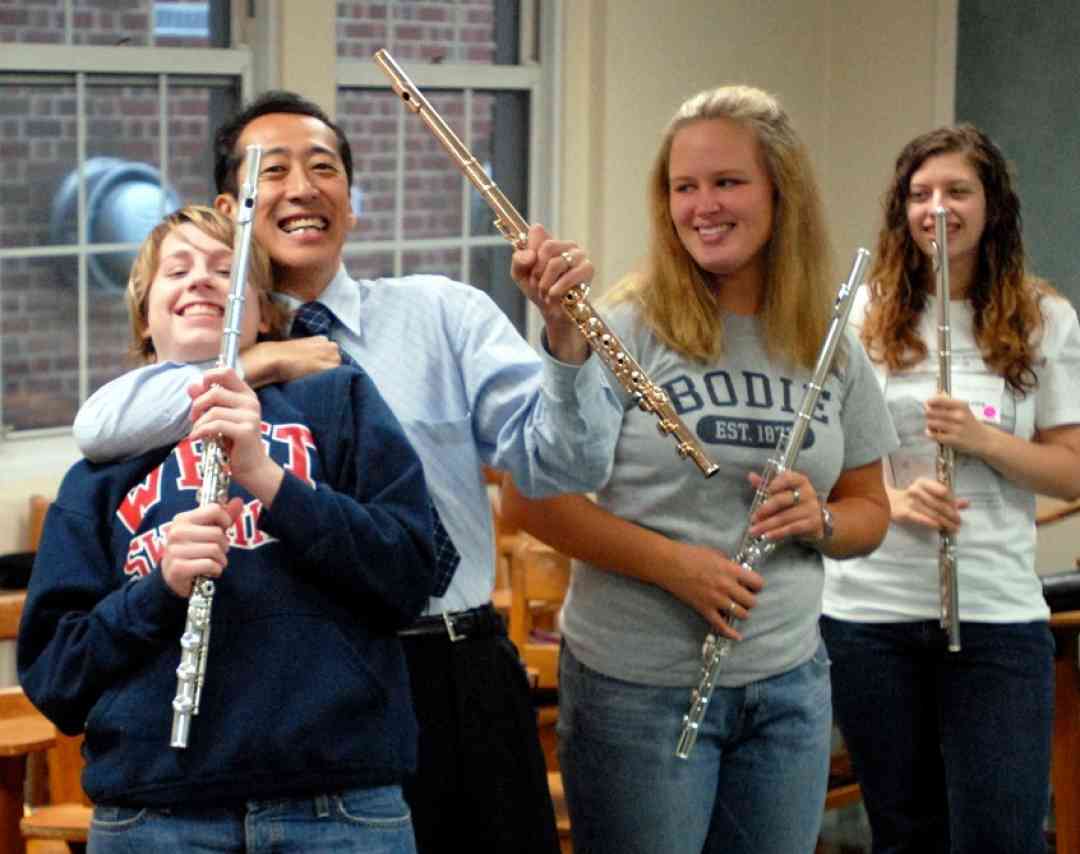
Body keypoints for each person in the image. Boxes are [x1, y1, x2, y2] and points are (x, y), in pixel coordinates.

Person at [70, 91, 622, 854]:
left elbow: (569, 461)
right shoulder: (200, 356)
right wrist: (255, 360)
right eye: (277, 170)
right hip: (299, 706)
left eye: (324, 167)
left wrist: (564, 338)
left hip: (449, 669)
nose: (303, 187)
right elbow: (100, 427)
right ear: (230, 207)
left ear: (351, 203)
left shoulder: (442, 314)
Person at [498, 85, 898, 854]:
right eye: (685, 187)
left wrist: (821, 521)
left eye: (727, 183)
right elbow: (533, 500)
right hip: (637, 692)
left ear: (781, 193)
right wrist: (676, 567)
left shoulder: (827, 341)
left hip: (786, 686)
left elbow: (868, 510)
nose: (702, 206)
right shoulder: (623, 327)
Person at [19, 205, 436, 852]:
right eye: (176, 270)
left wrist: (272, 482)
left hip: (338, 804)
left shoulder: (337, 401)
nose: (201, 281)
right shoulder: (101, 472)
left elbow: (412, 574)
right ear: (145, 322)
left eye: (224, 269)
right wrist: (156, 590)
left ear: (266, 316)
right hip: (156, 815)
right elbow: (57, 679)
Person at [820, 125, 1080, 854]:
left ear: (992, 205)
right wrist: (892, 503)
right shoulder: (861, 316)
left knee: (999, 835)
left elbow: (1070, 467)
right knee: (905, 835)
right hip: (869, 613)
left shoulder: (1044, 318)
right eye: (920, 193)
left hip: (995, 614)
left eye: (958, 191)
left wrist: (984, 440)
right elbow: (820, 458)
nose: (938, 207)